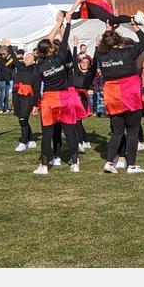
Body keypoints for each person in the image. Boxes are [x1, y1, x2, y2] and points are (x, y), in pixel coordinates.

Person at [32, 12, 88, 174]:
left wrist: (36, 104)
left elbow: (36, 88)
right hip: (65, 98)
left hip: (49, 100)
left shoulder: (38, 66)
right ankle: (74, 163)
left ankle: (43, 166)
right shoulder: (60, 57)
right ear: (51, 49)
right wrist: (66, 23)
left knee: (47, 134)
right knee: (70, 132)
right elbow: (65, 40)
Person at [95, 20, 144, 174]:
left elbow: (100, 47)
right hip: (130, 93)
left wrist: (108, 30)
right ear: (119, 40)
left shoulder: (100, 55)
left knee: (117, 131)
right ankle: (131, 165)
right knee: (132, 131)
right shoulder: (128, 52)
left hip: (112, 95)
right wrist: (134, 26)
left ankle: (109, 162)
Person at [11, 51, 41, 152]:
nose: (27, 57)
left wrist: (36, 104)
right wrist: (10, 46)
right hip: (16, 94)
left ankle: (24, 142)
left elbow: (37, 89)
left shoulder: (36, 71)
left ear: (34, 62)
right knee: (21, 119)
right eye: (26, 56)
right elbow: (14, 58)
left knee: (23, 119)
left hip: (28, 97)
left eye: (30, 57)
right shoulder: (19, 67)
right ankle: (31, 139)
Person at [0, 45, 15, 114]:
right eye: (6, 53)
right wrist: (2, 78)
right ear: (2, 54)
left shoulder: (6, 60)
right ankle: (0, 108)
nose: (7, 54)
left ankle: (6, 108)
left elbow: (11, 67)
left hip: (7, 80)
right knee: (2, 95)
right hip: (2, 80)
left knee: (7, 95)